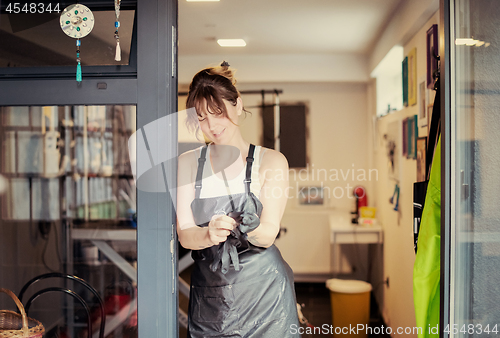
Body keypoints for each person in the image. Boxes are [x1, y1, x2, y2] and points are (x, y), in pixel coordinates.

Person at [177, 61, 300, 337]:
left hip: (266, 297)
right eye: (201, 117)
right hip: (211, 300)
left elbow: (268, 233)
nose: (211, 125)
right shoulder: (187, 164)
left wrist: (243, 226)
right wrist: (208, 234)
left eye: (217, 113)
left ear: (237, 104)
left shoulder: (271, 161)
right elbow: (185, 234)